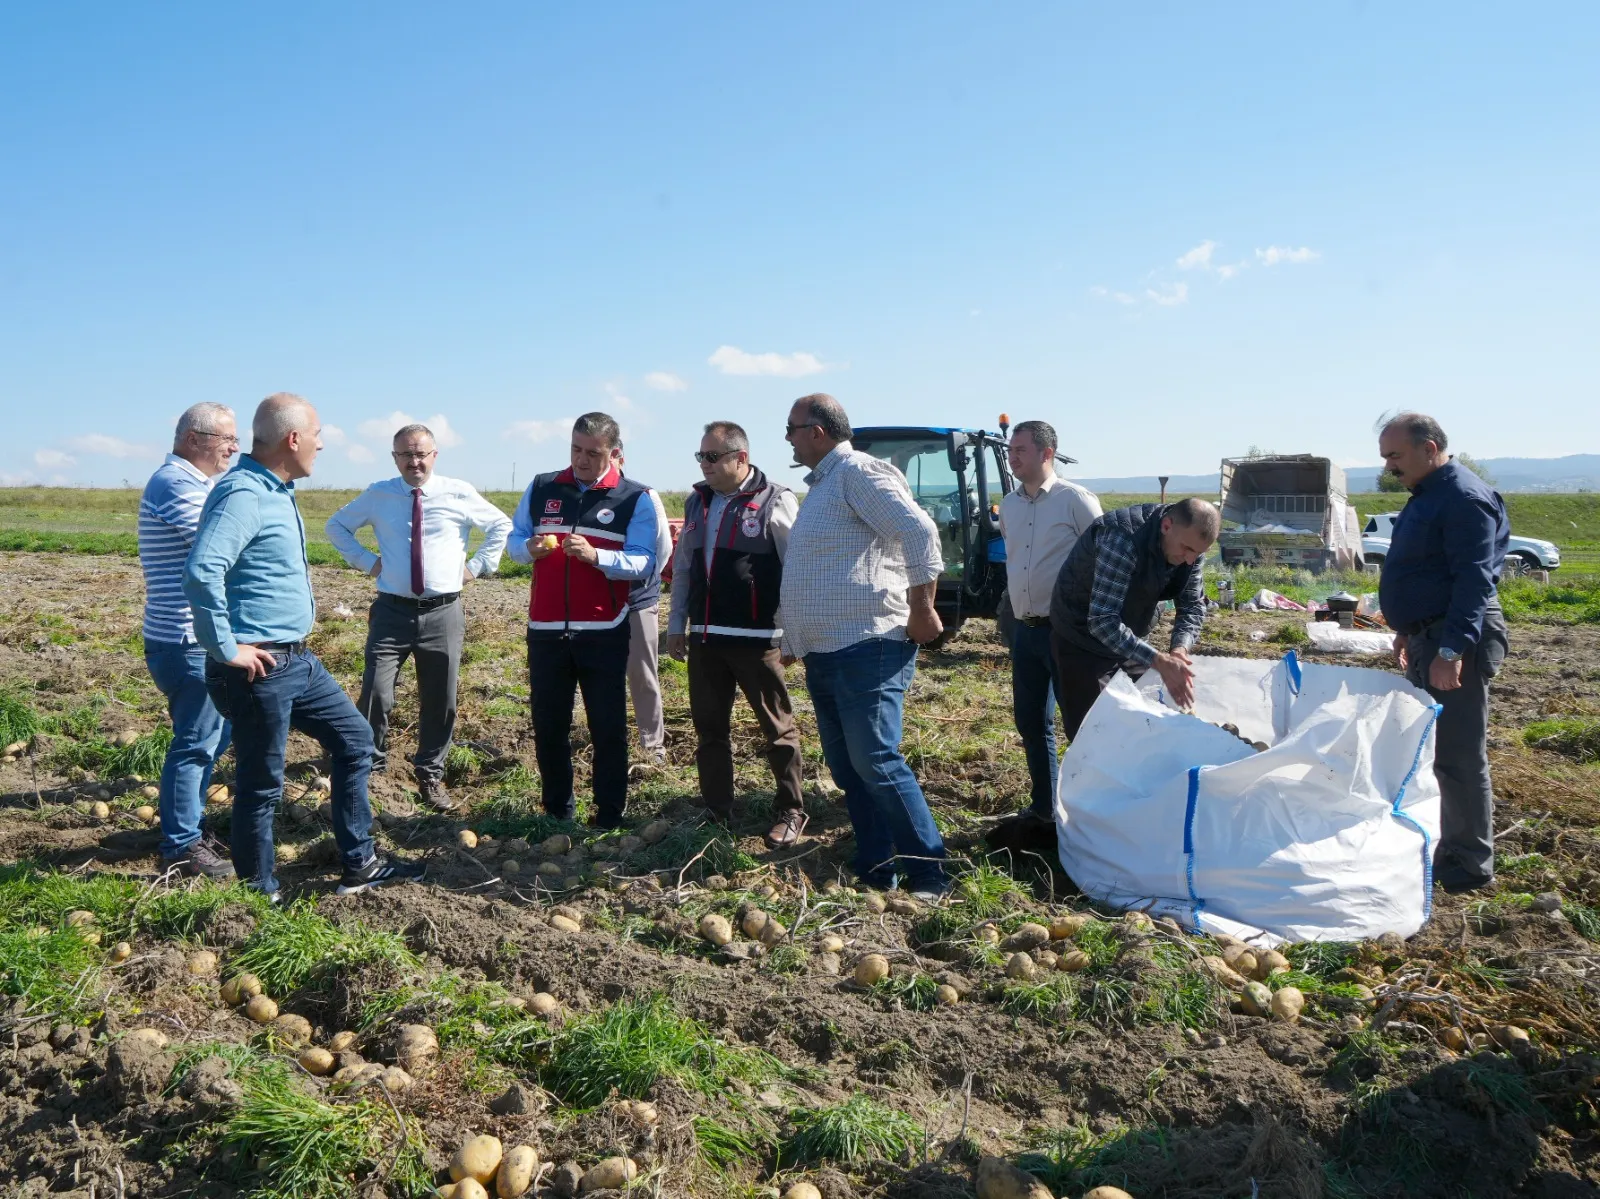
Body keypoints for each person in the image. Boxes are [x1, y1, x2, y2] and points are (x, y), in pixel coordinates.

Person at [184, 393, 426, 899]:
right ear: (293, 439)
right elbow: (203, 570)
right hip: (258, 666)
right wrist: (226, 648)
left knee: (356, 743)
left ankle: (359, 863)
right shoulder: (245, 494)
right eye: (316, 435)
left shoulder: (277, 489)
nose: (321, 444)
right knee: (262, 782)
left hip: (297, 658)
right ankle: (259, 895)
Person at [780, 393, 948, 896]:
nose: (786, 437)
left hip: (869, 644)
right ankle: (877, 864)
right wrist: (796, 634)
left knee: (875, 758)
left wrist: (922, 607)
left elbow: (919, 532)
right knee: (850, 766)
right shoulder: (827, 484)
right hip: (828, 650)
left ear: (817, 430)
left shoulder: (858, 473)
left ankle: (928, 871)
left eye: (791, 427)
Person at [325, 422, 512, 812]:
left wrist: (477, 566)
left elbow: (500, 525)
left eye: (421, 454)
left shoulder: (458, 492)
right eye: (406, 455)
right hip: (392, 611)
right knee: (376, 690)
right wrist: (366, 561)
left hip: (442, 612)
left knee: (440, 697)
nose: (414, 461)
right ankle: (372, 768)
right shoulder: (379, 494)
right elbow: (336, 526)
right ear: (395, 458)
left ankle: (430, 771)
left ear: (434, 455)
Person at [1377, 412, 1510, 895]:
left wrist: (1451, 648)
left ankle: (1470, 862)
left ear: (1429, 448)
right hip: (1430, 636)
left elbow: (1473, 582)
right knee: (1434, 751)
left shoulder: (1463, 499)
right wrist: (1410, 631)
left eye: (1395, 456)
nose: (1390, 466)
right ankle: (1448, 842)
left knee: (1457, 754)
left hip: (1457, 641)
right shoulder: (1431, 495)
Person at [506, 412, 658, 828]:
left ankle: (609, 814)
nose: (582, 459)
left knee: (607, 726)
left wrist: (598, 557)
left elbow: (646, 562)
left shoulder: (635, 497)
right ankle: (557, 812)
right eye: (575, 449)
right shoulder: (542, 487)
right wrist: (529, 549)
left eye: (593, 453)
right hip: (546, 629)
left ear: (614, 452)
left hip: (604, 630)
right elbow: (514, 540)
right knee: (549, 725)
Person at [666, 421, 805, 847]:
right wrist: (676, 626)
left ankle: (792, 808)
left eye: (712, 456)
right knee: (709, 729)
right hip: (707, 639)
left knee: (777, 728)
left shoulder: (775, 500)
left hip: (757, 638)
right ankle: (717, 808)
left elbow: (795, 570)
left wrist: (793, 634)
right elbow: (685, 566)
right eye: (700, 456)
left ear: (739, 458)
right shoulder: (698, 502)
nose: (704, 464)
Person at [138, 402, 238, 878]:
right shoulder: (175, 483)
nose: (235, 448)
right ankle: (180, 845)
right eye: (227, 439)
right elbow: (219, 542)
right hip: (184, 639)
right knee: (197, 742)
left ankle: (186, 827)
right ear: (194, 439)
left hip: (198, 638)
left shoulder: (198, 484)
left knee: (216, 737)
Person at [999, 420, 1102, 824]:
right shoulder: (1009, 505)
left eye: (1021, 449)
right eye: (1011, 450)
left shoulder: (1075, 501)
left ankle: (1090, 810)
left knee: (1081, 724)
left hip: (1068, 635)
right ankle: (1044, 808)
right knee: (1030, 721)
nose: (1013, 457)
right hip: (1024, 631)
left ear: (1047, 453)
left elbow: (1104, 560)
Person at [1048, 498, 1218, 739]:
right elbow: (1102, 621)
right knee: (1093, 735)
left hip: (1130, 635)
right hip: (1081, 641)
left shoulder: (1191, 545)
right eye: (1187, 549)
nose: (1190, 559)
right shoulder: (1122, 538)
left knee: (1139, 729)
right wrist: (1158, 660)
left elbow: (1192, 604)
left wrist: (1180, 650)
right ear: (1167, 526)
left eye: (1199, 553)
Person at [617, 445, 674, 767]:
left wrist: (643, 585)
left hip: (636, 599)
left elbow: (662, 547)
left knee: (642, 674)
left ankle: (652, 745)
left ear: (619, 458)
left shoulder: (642, 496)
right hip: (596, 605)